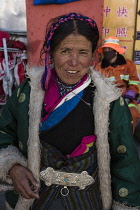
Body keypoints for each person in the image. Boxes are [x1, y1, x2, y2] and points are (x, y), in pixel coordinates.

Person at [0, 13, 140, 210]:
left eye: (83, 52)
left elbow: (126, 162)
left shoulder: (110, 101)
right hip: (37, 200)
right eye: (65, 51)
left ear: (93, 56)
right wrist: (12, 167)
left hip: (89, 202)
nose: (74, 62)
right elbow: (3, 133)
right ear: (51, 52)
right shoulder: (28, 93)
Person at [95, 36, 140, 132]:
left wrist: (128, 98)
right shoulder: (99, 68)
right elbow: (98, 88)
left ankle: (126, 141)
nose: (107, 52)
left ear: (116, 51)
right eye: (105, 49)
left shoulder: (128, 64)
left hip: (128, 98)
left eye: (109, 49)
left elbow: (134, 82)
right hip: (108, 100)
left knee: (132, 114)